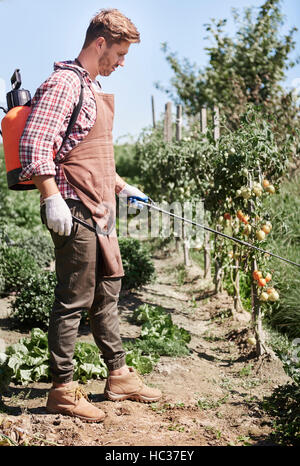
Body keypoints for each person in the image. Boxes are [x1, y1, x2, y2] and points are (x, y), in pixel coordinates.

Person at [19, 8, 162, 423]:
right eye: (119, 54)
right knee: (75, 297)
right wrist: (50, 197)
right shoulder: (65, 83)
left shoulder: (89, 86)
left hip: (101, 206)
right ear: (99, 43)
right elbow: (35, 143)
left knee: (108, 291)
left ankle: (117, 375)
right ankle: (62, 390)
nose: (121, 63)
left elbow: (88, 154)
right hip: (74, 207)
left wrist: (122, 186)